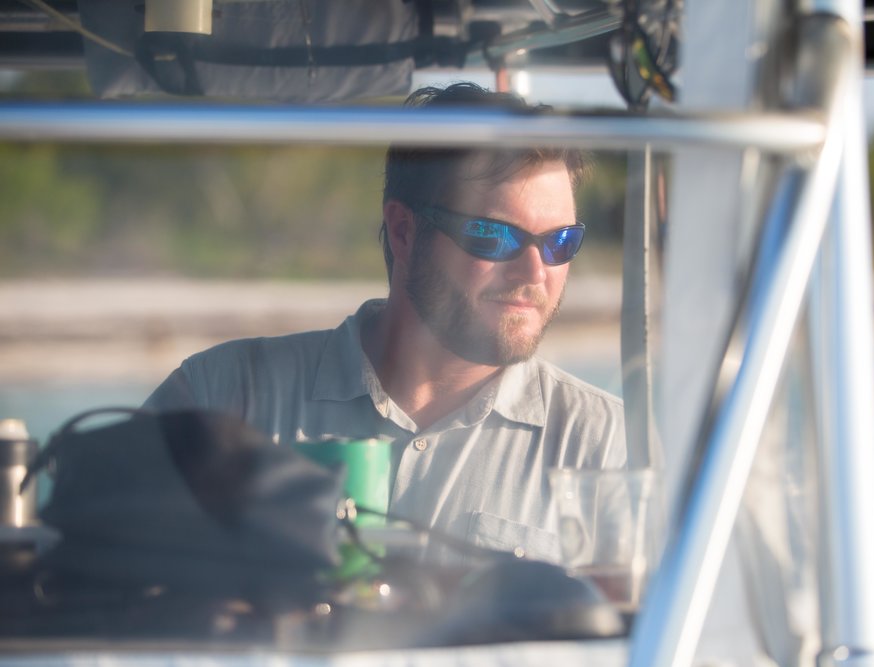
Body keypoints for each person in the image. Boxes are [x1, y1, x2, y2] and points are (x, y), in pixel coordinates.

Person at [144, 82, 626, 564]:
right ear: (404, 231)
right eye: (493, 235)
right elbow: (95, 580)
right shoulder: (222, 397)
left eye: (560, 241)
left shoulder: (605, 448)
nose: (535, 271)